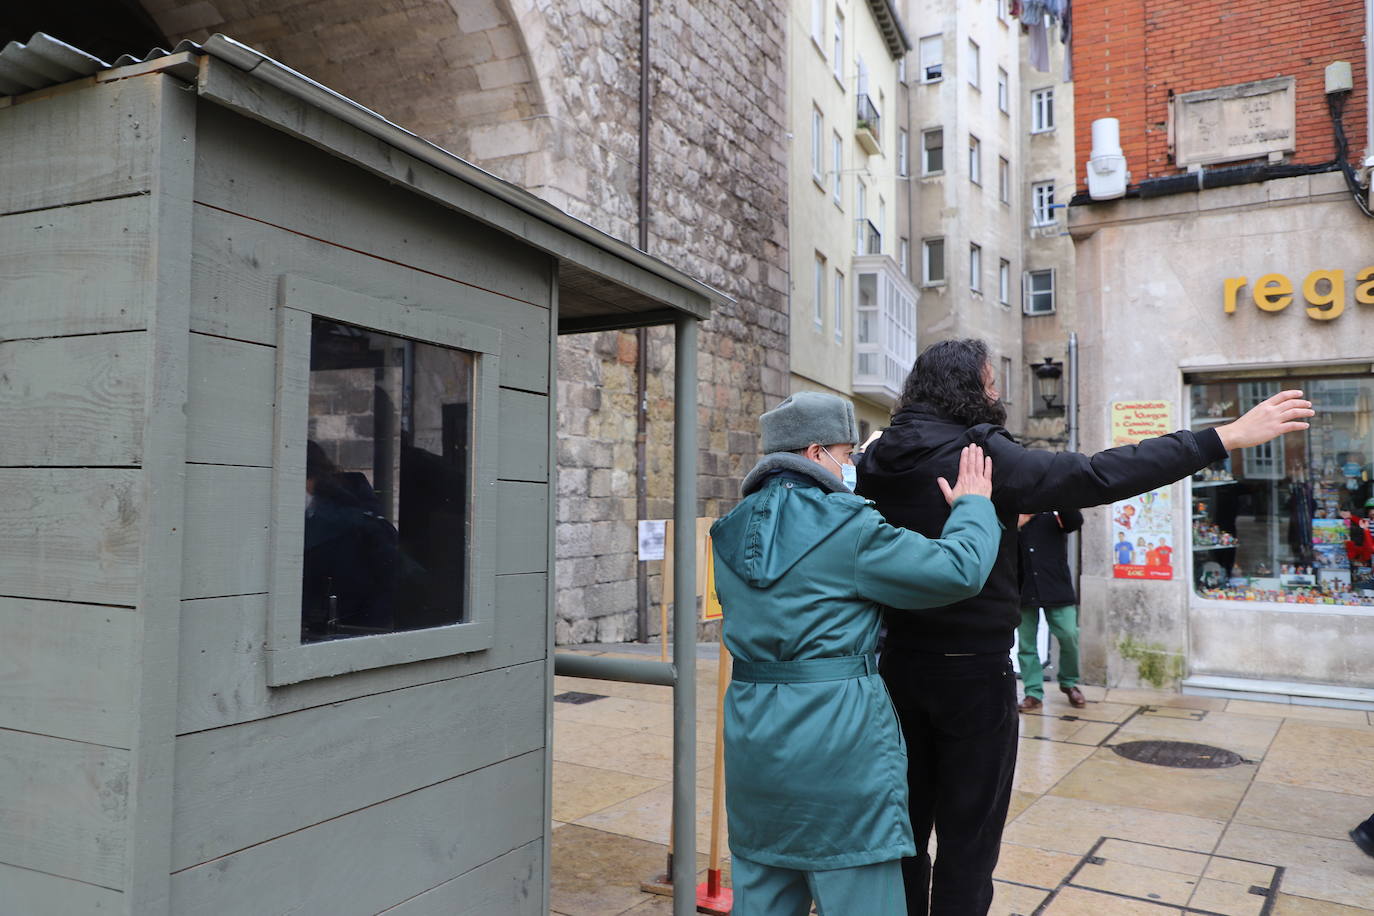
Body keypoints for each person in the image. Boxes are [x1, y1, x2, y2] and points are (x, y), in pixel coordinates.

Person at [856, 338, 1314, 915]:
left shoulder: (876, 458)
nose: (997, 393)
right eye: (991, 382)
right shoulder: (979, 455)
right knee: (968, 845)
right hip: (972, 677)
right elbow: (1098, 474)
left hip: (893, 667)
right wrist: (1221, 437)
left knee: (903, 833)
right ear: (969, 389)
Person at [709, 391, 1001, 916]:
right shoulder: (847, 525)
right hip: (836, 748)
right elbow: (958, 570)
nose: (851, 467)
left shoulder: (730, 529)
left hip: (754, 744)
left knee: (764, 895)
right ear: (816, 452)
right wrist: (973, 506)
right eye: (847, 455)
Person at [1015, 509, 1085, 711]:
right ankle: (1033, 692)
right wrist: (1016, 524)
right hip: (1023, 587)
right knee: (1027, 643)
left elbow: (1075, 521)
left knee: (1069, 634)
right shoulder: (1013, 515)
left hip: (1056, 585)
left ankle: (1069, 682)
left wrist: (1059, 493)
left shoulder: (1056, 512)